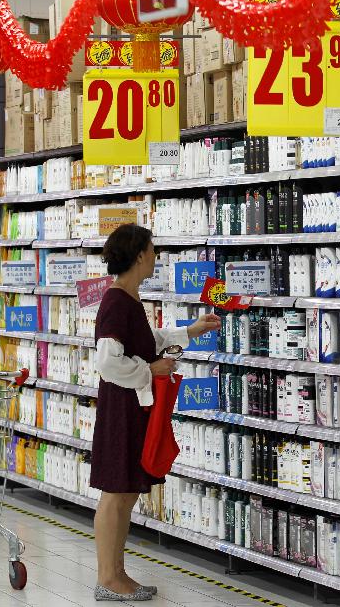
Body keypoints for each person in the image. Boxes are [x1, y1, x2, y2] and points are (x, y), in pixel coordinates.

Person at [91, 224, 220, 601]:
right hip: (122, 410)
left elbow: (148, 342)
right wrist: (151, 370)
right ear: (139, 255)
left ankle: (116, 573)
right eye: (152, 249)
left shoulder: (129, 300)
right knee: (116, 492)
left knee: (127, 490)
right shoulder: (116, 302)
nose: (156, 256)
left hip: (134, 408)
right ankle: (107, 578)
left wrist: (191, 330)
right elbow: (108, 362)